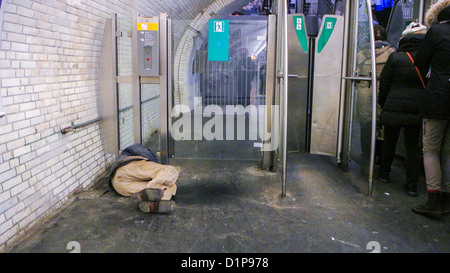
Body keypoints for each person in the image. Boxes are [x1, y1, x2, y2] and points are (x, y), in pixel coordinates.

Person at [375, 22, 428, 197]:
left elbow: (385, 83)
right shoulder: (428, 58)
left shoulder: (396, 57)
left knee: (389, 140)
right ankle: (412, 184)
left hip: (394, 106)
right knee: (413, 146)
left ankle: (384, 173)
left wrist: (384, 103)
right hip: (417, 108)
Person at [411, 0, 450, 217]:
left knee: (431, 149)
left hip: (438, 97)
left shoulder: (438, 31)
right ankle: (446, 200)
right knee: (448, 152)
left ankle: (433, 200)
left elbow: (420, 61)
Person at [356, 25, 395, 173]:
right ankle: (380, 158)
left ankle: (367, 159)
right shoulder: (391, 52)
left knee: (366, 127)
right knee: (383, 128)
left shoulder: (362, 54)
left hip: (364, 92)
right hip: (383, 92)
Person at [108, 144, 178, 214]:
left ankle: (151, 204)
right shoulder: (138, 151)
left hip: (118, 186)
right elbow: (136, 149)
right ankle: (155, 197)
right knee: (171, 171)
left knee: (169, 184)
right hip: (128, 167)